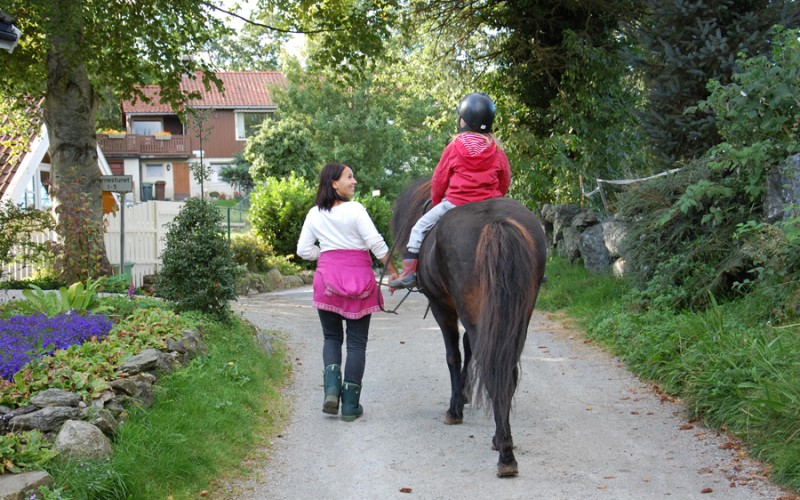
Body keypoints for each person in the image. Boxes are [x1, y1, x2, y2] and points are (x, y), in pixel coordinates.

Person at [297, 162, 399, 422]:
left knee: (332, 339)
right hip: (360, 281)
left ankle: (331, 390)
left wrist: (327, 253)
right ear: (334, 183)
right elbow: (375, 242)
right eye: (349, 177)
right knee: (356, 344)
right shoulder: (355, 210)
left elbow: (303, 251)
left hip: (327, 280)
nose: (354, 181)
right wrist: (393, 271)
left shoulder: (314, 214)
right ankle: (351, 406)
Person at [389, 92, 511, 289]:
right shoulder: (496, 149)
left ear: (464, 121)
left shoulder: (454, 147)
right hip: (490, 204)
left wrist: (438, 201)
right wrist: (497, 197)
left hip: (457, 203)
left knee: (419, 228)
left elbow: (439, 179)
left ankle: (409, 273)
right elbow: (505, 180)